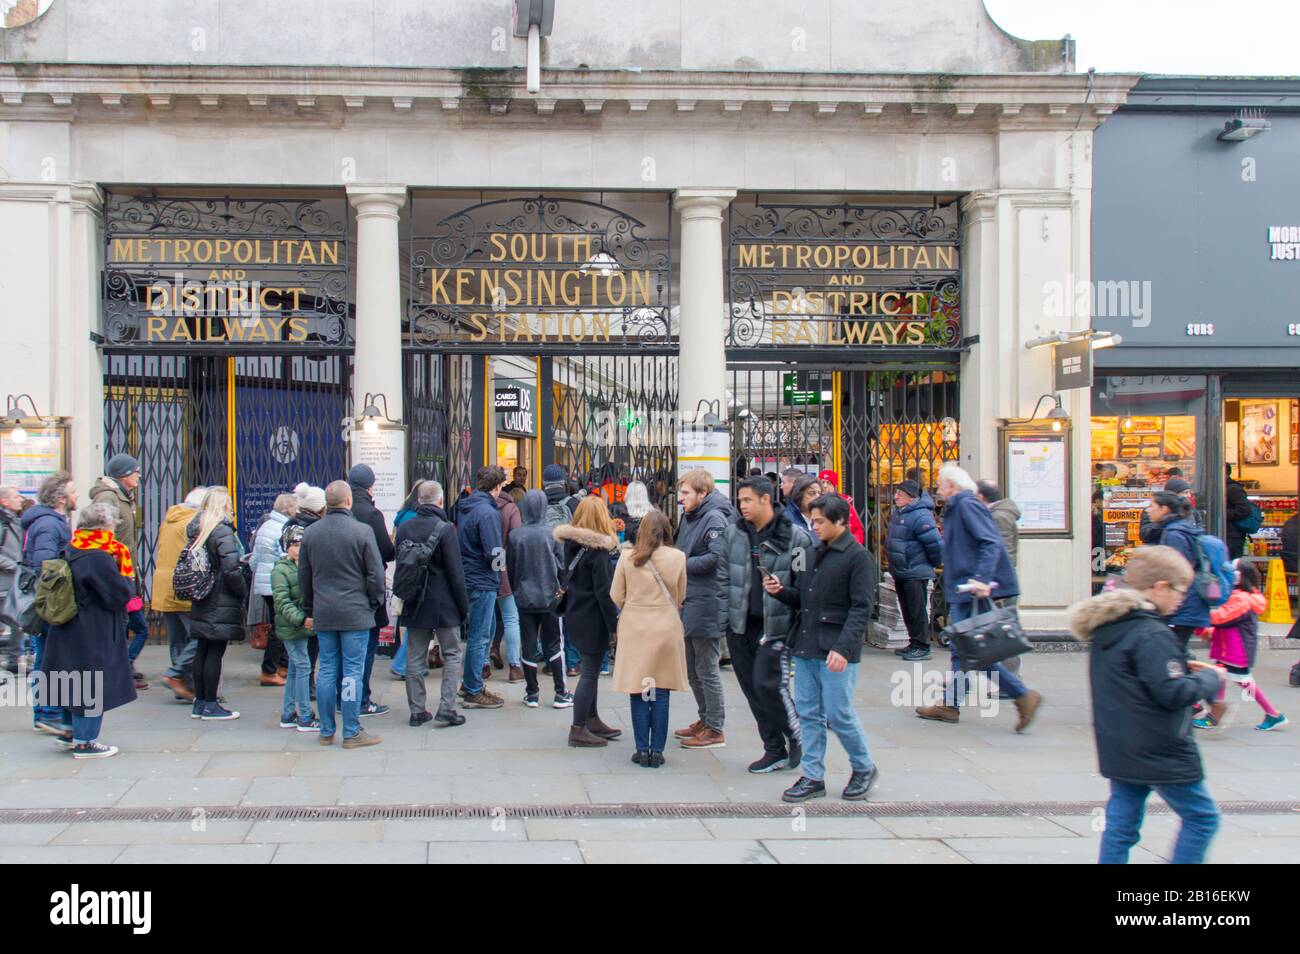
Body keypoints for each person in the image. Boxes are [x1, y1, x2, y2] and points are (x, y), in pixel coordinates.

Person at [1069, 545, 1224, 864]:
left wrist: (1178, 666)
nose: (1184, 598)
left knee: (1121, 824)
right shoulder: (1152, 633)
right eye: (1182, 590)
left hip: (1121, 741)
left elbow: (1136, 678)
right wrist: (1211, 681)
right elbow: (1172, 692)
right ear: (1160, 587)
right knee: (1202, 818)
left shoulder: (1111, 626)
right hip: (1159, 745)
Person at [765, 495, 879, 802]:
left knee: (839, 713)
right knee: (808, 713)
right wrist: (781, 591)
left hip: (835, 649)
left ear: (841, 521)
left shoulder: (858, 558)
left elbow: (861, 608)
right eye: (812, 521)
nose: (814, 527)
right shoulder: (812, 554)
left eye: (820, 522)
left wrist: (843, 648)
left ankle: (863, 766)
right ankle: (813, 775)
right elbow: (802, 598)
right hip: (806, 645)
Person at [915, 463, 1043, 731]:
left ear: (952, 485)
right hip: (965, 586)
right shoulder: (961, 506)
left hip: (971, 588)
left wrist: (982, 579)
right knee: (962, 648)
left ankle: (1020, 694)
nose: (937, 489)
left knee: (970, 648)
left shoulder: (965, 504)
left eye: (940, 484)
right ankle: (951, 704)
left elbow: (990, 541)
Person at [716, 476, 809, 773]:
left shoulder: (796, 538)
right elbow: (723, 581)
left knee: (770, 686)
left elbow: (806, 586)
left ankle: (796, 735)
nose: (741, 505)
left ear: (766, 499)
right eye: (740, 500)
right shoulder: (733, 535)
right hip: (740, 626)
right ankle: (773, 748)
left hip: (777, 626)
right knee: (753, 691)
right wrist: (724, 622)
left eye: (747, 500)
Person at [38, 502, 137, 758]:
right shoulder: (98, 556)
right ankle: (85, 741)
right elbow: (118, 594)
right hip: (92, 629)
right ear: (106, 525)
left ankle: (69, 731)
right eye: (113, 524)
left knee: (71, 679)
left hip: (68, 626)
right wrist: (125, 578)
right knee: (91, 683)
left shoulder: (73, 547)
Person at [300, 480, 385, 748]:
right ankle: (351, 730)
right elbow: (375, 574)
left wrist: (310, 607)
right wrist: (374, 602)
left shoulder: (312, 533)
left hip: (325, 611)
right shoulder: (362, 531)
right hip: (355, 612)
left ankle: (326, 729)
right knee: (352, 672)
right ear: (348, 501)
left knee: (325, 670)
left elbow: (304, 575)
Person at [611, 510, 687, 767]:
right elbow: (680, 594)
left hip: (635, 627)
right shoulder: (678, 557)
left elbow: (615, 594)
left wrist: (633, 606)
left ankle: (641, 749)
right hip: (665, 626)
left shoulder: (626, 558)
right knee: (661, 689)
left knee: (640, 688)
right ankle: (658, 751)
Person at [395, 480, 469, 728]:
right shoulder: (446, 529)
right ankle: (446, 707)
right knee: (451, 653)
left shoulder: (404, 527)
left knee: (415, 657)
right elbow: (455, 572)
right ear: (440, 501)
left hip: (415, 600)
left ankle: (417, 710)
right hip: (443, 602)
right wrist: (463, 606)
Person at [554, 496, 621, 747]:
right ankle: (579, 727)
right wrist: (614, 625)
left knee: (588, 669)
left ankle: (591, 719)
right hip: (593, 617)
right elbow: (604, 594)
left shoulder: (572, 544)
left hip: (575, 613)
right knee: (590, 673)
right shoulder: (599, 552)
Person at [673, 469, 732, 749]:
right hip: (690, 598)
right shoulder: (690, 516)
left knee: (706, 667)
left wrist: (679, 564)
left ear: (702, 493)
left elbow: (715, 559)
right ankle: (705, 718)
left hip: (707, 601)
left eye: (685, 493)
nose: (681, 499)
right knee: (693, 668)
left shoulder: (714, 518)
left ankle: (715, 727)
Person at [1192, 562, 1286, 731]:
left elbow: (1221, 616)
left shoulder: (1241, 599)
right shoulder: (1238, 594)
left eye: (1232, 571)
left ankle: (1272, 713)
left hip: (1236, 650)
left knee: (1243, 682)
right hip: (1230, 647)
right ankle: (1214, 714)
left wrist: (1197, 616)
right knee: (1224, 677)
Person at [22, 471, 77, 735]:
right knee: (47, 656)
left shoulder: (51, 522)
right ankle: (48, 713)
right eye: (73, 491)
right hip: (50, 602)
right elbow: (46, 567)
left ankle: (45, 712)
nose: (77, 495)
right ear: (62, 498)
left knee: (46, 655)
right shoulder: (48, 524)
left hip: (48, 600)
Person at [185, 487, 246, 721]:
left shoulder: (198, 529)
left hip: (202, 595)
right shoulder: (221, 531)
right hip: (220, 597)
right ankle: (210, 704)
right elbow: (230, 568)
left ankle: (200, 702)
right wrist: (241, 590)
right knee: (215, 651)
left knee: (203, 649)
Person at [90, 453, 149, 691]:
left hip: (125, 569)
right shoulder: (108, 497)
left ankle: (123, 666)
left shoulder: (123, 497)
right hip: (116, 572)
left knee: (128, 622)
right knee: (126, 622)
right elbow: (101, 534)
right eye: (135, 471)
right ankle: (119, 668)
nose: (138, 475)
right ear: (124, 474)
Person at [508, 489, 571, 709]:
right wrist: (562, 588)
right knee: (554, 644)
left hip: (525, 597)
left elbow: (512, 567)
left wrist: (518, 589)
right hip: (550, 597)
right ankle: (561, 692)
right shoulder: (551, 533)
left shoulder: (516, 535)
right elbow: (562, 566)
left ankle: (532, 692)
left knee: (528, 644)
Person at [456, 465, 507, 709]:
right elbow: (493, 550)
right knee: (480, 634)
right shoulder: (487, 512)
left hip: (470, 575)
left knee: (484, 630)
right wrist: (502, 569)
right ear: (497, 487)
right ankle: (473, 688)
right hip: (482, 578)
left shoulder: (467, 506)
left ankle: (471, 683)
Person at [346, 464, 395, 717]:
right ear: (370, 486)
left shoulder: (335, 514)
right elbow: (386, 552)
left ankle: (342, 699)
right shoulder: (371, 514)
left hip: (335, 594)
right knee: (364, 649)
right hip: (365, 591)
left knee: (336, 656)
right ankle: (360, 700)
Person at [153, 486, 206, 701]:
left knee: (177, 639)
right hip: (184, 585)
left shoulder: (170, 519)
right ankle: (176, 675)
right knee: (200, 635)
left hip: (164, 585)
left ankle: (182, 687)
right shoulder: (193, 522)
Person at [1142, 491, 1211, 653]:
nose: (1148, 510)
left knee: (1171, 651)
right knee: (1173, 651)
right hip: (1184, 601)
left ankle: (1199, 676)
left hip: (1183, 602)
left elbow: (1179, 571)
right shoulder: (1176, 529)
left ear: (1164, 509)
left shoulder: (1174, 534)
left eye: (1152, 506)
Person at [886, 478, 944, 662]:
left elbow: (934, 543)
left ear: (911, 498)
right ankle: (914, 642)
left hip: (914, 569)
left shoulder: (920, 515)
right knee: (907, 609)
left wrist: (931, 564)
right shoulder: (900, 513)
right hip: (903, 569)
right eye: (896, 493)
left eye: (900, 494)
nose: (896, 497)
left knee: (917, 610)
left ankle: (922, 646)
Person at [272, 526, 318, 732]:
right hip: (292, 626)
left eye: (302, 545)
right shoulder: (280, 570)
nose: (299, 549)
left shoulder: (304, 566)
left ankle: (288, 713)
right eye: (295, 545)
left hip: (301, 625)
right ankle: (305, 715)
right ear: (287, 546)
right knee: (303, 667)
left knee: (294, 669)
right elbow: (282, 601)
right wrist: (302, 619)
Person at [250, 493, 298, 687]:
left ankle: (280, 666)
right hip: (276, 584)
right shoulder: (282, 529)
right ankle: (270, 670)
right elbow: (285, 556)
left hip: (264, 583)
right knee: (280, 628)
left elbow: (254, 559)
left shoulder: (266, 526)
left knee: (278, 624)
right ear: (289, 509)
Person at [494, 476, 524, 684]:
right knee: (511, 617)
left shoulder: (477, 507)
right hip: (504, 569)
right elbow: (516, 540)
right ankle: (514, 666)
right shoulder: (511, 509)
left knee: (484, 618)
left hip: (481, 571)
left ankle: (483, 666)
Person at [976, 479, 1020, 569]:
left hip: (999, 570)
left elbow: (1004, 548)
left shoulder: (999, 516)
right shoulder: (995, 513)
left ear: (981, 497)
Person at [816, 469, 865, 545]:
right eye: (822, 482)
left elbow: (857, 529)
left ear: (835, 486)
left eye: (828, 483)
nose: (824, 486)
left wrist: (853, 545)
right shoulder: (814, 504)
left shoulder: (845, 504)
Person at [1224, 465, 1252, 560]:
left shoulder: (1233, 489)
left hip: (1233, 536)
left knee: (1232, 563)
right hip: (1228, 534)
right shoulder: (1222, 488)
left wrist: (1222, 513)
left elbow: (1244, 510)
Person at [620, 479, 653, 545]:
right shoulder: (653, 514)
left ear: (628, 493)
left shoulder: (620, 511)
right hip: (647, 551)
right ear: (645, 494)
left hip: (625, 551)